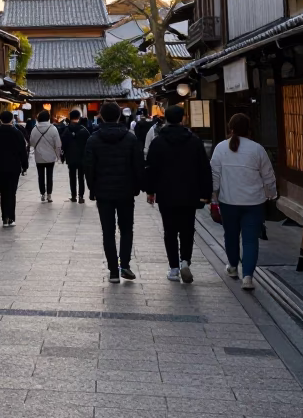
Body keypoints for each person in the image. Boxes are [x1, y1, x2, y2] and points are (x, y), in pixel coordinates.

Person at [143, 105, 212, 283]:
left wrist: (150, 191)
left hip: (166, 192)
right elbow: (204, 168)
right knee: (187, 229)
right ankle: (185, 261)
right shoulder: (194, 141)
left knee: (170, 230)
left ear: (165, 119)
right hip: (190, 192)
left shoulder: (158, 142)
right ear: (183, 119)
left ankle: (173, 268)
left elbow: (151, 168)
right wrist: (206, 193)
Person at [211, 113, 277, 291]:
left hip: (228, 201)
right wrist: (271, 194)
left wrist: (214, 195)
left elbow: (214, 175)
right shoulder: (257, 149)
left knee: (231, 235)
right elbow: (268, 176)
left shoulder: (221, 148)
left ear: (230, 128)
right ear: (249, 129)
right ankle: (248, 276)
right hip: (253, 202)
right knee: (250, 240)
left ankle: (232, 267)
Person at [83, 100, 143, 283]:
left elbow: (88, 167)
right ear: (119, 115)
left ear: (101, 116)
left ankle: (113, 271)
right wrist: (137, 186)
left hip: (103, 191)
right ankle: (124, 264)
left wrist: (92, 188)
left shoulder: (93, 139)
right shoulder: (130, 138)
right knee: (126, 229)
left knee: (108, 232)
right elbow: (138, 165)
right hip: (125, 191)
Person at [0, 111, 29, 227]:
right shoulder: (17, 133)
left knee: (3, 192)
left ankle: (4, 217)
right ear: (12, 119)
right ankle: (11, 218)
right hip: (14, 167)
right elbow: (23, 151)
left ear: (0, 119)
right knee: (12, 192)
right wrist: (25, 165)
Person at [30, 110, 63, 202]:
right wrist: (58, 156)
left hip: (39, 157)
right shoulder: (53, 129)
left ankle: (42, 194)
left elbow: (32, 143)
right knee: (49, 176)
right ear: (48, 118)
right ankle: (49, 195)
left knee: (40, 176)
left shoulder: (34, 129)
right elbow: (57, 144)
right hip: (50, 156)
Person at [60, 109, 90, 203]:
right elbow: (89, 144)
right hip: (82, 157)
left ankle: (73, 196)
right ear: (79, 117)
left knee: (72, 177)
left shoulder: (66, 130)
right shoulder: (84, 130)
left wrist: (63, 156)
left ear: (70, 117)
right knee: (81, 177)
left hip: (71, 157)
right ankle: (81, 196)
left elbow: (63, 145)